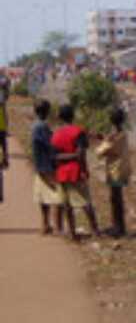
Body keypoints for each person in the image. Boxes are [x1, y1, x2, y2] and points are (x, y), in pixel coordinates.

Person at [51, 105, 100, 241]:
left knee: (67, 205)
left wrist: (66, 156)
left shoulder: (56, 134)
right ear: (73, 116)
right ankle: (95, 230)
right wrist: (83, 168)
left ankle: (72, 233)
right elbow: (81, 154)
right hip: (75, 171)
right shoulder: (78, 132)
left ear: (60, 118)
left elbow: (55, 156)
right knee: (85, 202)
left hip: (61, 172)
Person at [95, 109, 131, 237]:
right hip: (121, 168)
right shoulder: (121, 133)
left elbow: (100, 152)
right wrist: (104, 139)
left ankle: (119, 228)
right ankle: (118, 226)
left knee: (116, 198)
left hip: (116, 170)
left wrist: (102, 142)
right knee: (116, 198)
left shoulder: (115, 135)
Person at [31, 100, 65, 234]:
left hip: (40, 165)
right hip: (47, 166)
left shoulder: (36, 126)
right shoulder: (42, 127)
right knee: (58, 195)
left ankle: (45, 224)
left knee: (43, 196)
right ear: (47, 112)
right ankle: (58, 226)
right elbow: (50, 146)